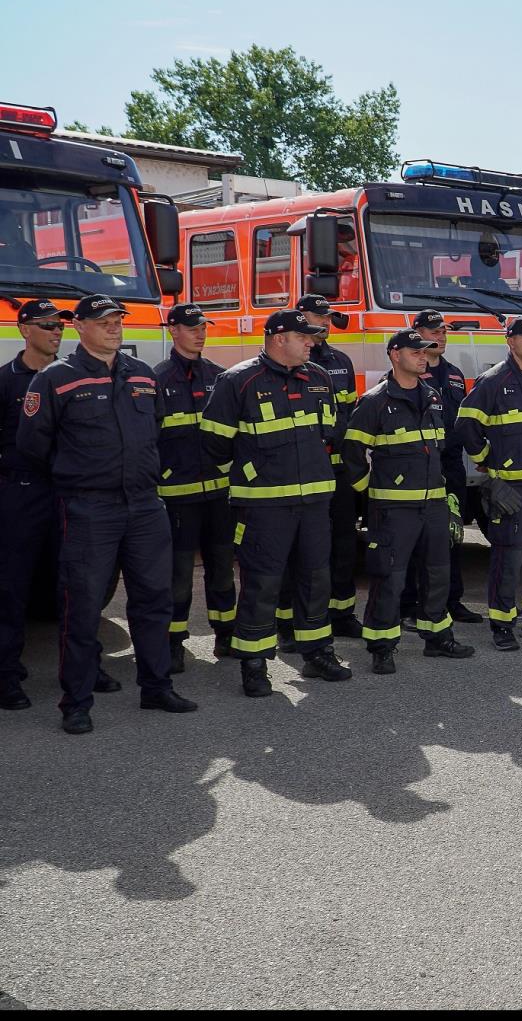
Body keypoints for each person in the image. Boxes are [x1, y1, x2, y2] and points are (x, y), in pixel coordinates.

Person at [19, 295, 199, 733]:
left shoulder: (141, 376)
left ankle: (156, 687)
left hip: (143, 504)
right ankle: (76, 703)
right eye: (104, 321)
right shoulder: (54, 380)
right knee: (81, 608)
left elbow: (152, 431)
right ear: (78, 326)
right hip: (88, 508)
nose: (115, 328)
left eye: (118, 320)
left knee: (154, 601)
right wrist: (79, 479)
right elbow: (32, 447)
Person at [201, 306, 349, 696]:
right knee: (262, 584)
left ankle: (317, 652)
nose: (312, 344)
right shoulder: (238, 381)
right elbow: (214, 444)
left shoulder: (318, 377)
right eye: (304, 338)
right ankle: (253, 663)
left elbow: (329, 430)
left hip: (315, 502)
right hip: (264, 506)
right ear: (279, 338)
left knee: (316, 579)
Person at [344, 329, 474, 673]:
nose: (423, 356)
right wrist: (370, 492)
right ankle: (382, 646)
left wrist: (444, 498)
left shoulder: (431, 396)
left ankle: (437, 637)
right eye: (416, 351)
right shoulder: (374, 401)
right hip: (393, 509)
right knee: (390, 578)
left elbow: (438, 452)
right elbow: (352, 452)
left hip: (432, 506)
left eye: (426, 351)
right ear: (395, 355)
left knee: (437, 573)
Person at [455, 317, 522, 651]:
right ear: (510, 341)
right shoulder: (492, 381)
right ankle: (502, 624)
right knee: (508, 558)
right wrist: (487, 461)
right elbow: (465, 425)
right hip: (511, 488)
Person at [153, 304, 235, 669]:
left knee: (222, 569)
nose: (200, 333)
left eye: (203, 327)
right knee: (178, 576)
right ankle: (173, 643)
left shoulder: (220, 377)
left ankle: (226, 637)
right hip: (177, 497)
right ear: (173, 330)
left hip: (219, 495)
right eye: (192, 328)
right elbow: (148, 440)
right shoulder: (156, 380)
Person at [0, 300, 66, 711]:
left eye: (60, 325)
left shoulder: (72, 376)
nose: (56, 332)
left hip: (68, 491)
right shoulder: (6, 381)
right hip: (21, 493)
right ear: (24, 330)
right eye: (46, 325)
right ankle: (6, 676)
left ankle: (84, 668)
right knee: (12, 588)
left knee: (76, 586)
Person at [399, 309, 482, 625]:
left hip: (451, 466)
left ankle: (452, 600)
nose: (441, 336)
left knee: (453, 534)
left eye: (444, 331)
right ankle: (409, 605)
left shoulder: (455, 374)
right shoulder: (409, 373)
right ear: (417, 332)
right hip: (420, 467)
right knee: (416, 538)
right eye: (434, 331)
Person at [297, 294, 361, 640]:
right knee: (304, 549)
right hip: (306, 472)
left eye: (327, 317)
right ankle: (296, 620)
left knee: (344, 544)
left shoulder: (341, 361)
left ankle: (343, 613)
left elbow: (348, 416)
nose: (324, 322)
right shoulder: (296, 364)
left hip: (340, 473)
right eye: (317, 316)